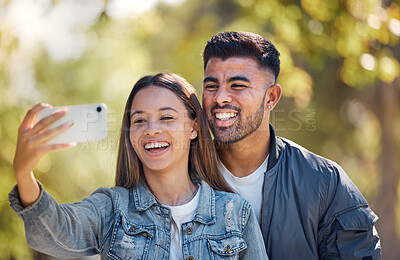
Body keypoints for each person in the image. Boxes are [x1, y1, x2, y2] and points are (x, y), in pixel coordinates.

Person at [9, 73, 268, 259]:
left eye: (166, 117)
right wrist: (24, 172)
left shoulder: (235, 213)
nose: (151, 130)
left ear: (194, 127)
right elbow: (55, 235)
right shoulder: (112, 209)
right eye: (139, 120)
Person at [201, 32, 381, 259]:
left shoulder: (324, 183)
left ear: (271, 98)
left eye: (237, 85)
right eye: (211, 86)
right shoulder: (184, 176)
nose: (220, 97)